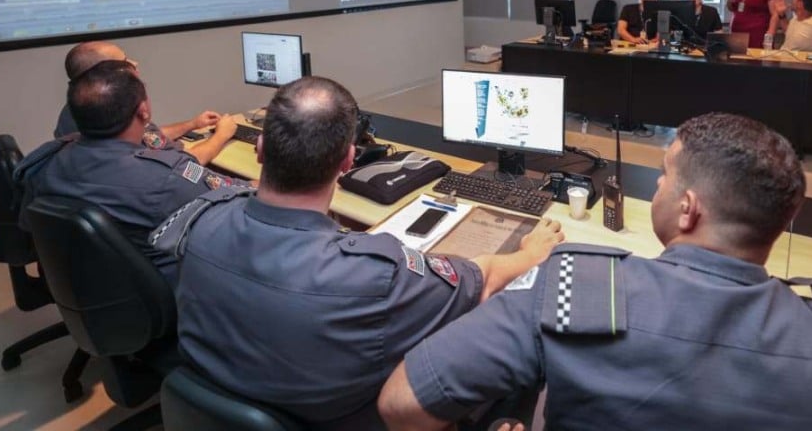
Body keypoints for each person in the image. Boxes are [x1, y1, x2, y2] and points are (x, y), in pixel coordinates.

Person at [378, 113, 812, 431]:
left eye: (663, 175)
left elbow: (402, 403)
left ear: (687, 210)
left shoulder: (572, 289)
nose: (657, 185)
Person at [154, 76, 565, 430]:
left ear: (259, 148)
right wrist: (531, 252)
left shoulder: (199, 223)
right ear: (348, 160)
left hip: (217, 408)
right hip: (341, 420)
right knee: (517, 331)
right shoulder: (373, 275)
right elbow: (485, 280)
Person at [16, 60, 241, 283]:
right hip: (162, 293)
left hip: (87, 285)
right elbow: (235, 197)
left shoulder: (42, 162)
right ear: (144, 111)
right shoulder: (166, 178)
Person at [54, 41, 233, 165]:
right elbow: (187, 165)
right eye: (125, 61)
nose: (134, 62)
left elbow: (149, 137)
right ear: (105, 73)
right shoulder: (111, 111)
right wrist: (221, 136)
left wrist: (192, 124)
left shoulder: (81, 108)